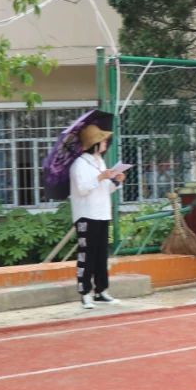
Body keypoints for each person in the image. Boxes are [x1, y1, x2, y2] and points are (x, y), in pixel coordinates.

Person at [70, 123, 126, 309]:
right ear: (94, 143)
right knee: (87, 255)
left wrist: (116, 181)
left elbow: (105, 189)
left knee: (102, 254)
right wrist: (100, 178)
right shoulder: (79, 164)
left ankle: (101, 291)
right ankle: (85, 293)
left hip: (103, 215)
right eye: (102, 140)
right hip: (87, 216)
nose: (105, 143)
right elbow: (82, 189)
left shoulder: (100, 162)